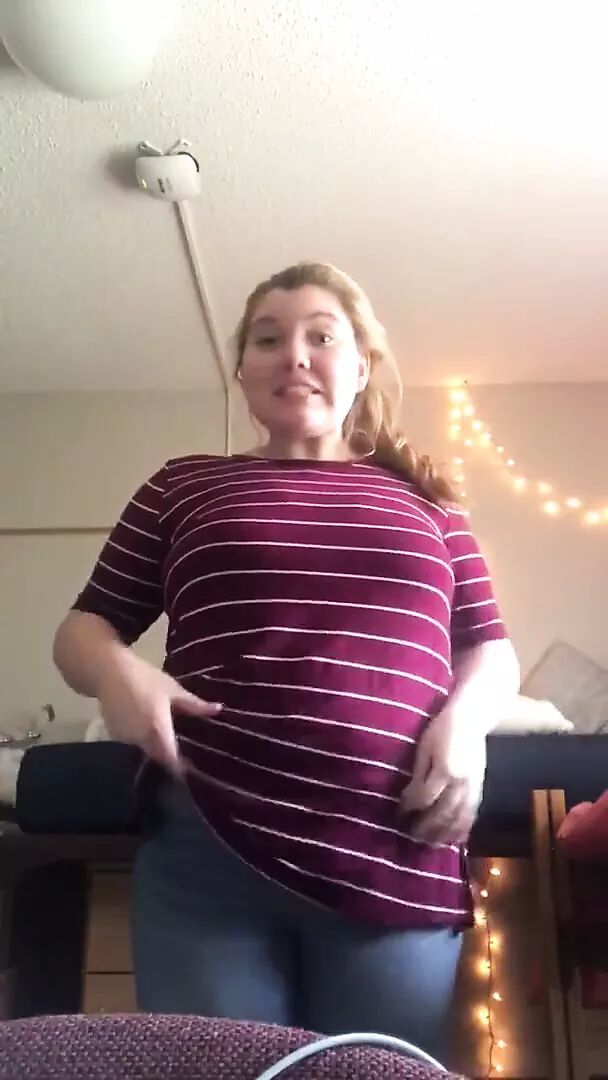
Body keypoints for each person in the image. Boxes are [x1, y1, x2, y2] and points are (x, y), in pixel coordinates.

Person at [53, 262, 519, 1061]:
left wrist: (467, 727)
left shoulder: (429, 504)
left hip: (396, 844)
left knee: (381, 1079)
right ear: (242, 371)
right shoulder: (183, 487)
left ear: (362, 366)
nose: (294, 355)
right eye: (268, 340)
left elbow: (490, 649)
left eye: (321, 337)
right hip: (208, 844)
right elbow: (83, 628)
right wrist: (116, 672)